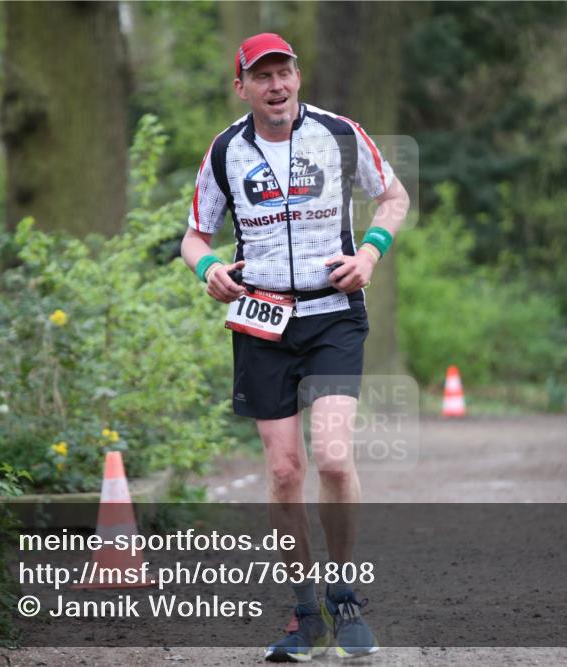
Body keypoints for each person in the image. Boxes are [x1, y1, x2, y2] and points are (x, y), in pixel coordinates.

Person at [180, 32, 409, 662]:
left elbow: (395, 196)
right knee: (284, 472)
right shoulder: (226, 150)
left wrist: (371, 252)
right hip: (261, 321)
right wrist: (208, 272)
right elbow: (195, 237)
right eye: (262, 77)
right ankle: (304, 614)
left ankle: (345, 595)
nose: (276, 86)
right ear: (242, 87)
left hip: (333, 313)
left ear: (298, 77)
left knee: (333, 458)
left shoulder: (339, 134)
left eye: (285, 73)